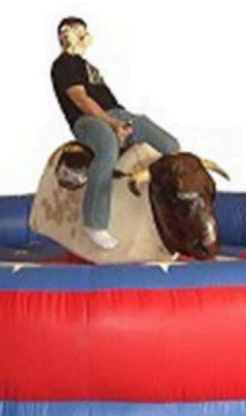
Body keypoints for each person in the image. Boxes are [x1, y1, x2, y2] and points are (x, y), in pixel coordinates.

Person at [51, 16, 181, 250]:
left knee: (170, 145)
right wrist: (112, 124)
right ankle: (95, 222)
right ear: (65, 35)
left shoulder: (87, 66)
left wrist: (123, 122)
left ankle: (172, 203)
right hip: (88, 120)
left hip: (117, 113)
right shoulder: (64, 65)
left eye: (84, 31)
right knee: (107, 147)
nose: (83, 36)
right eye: (78, 31)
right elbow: (81, 99)